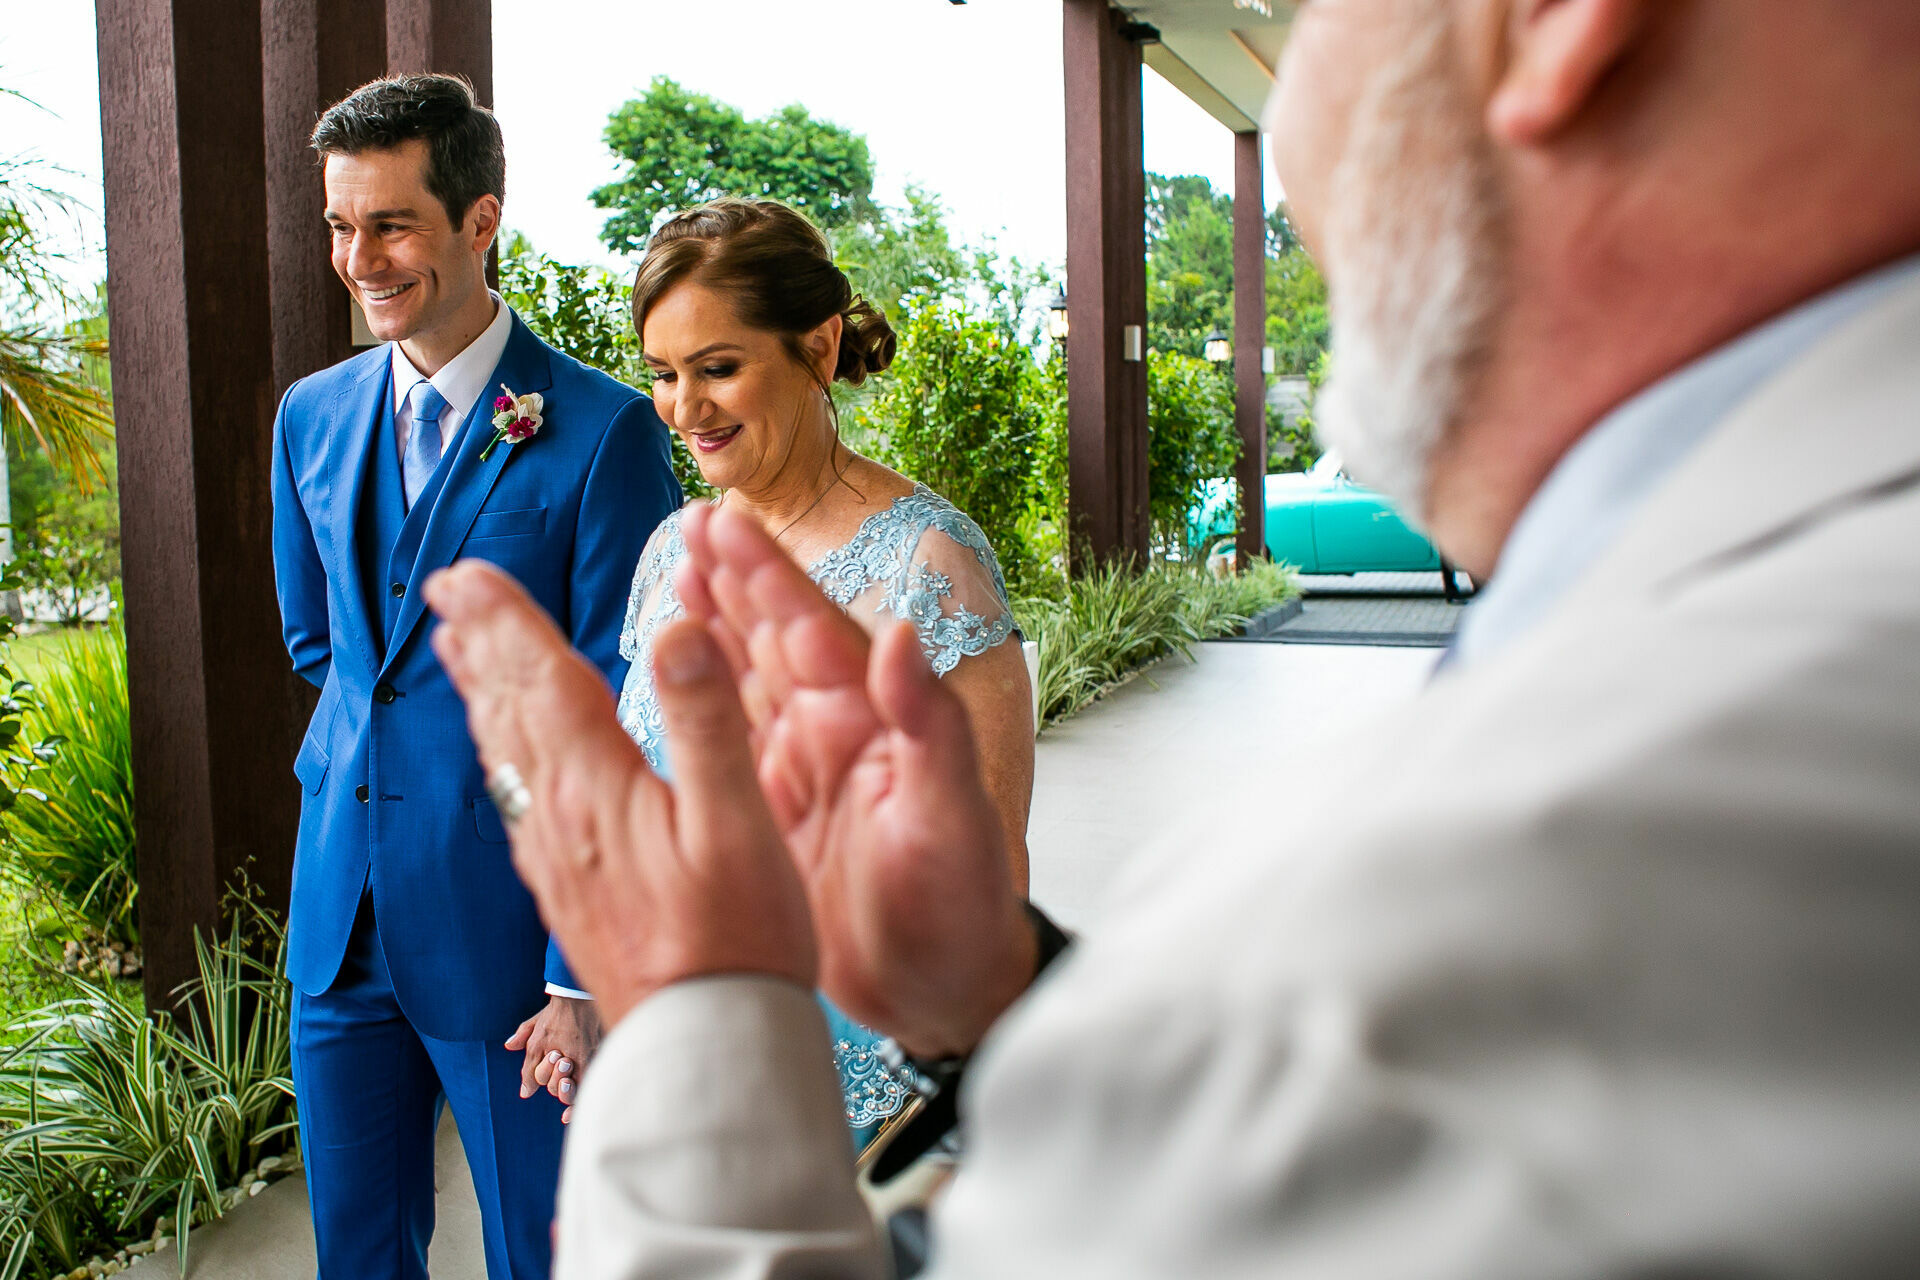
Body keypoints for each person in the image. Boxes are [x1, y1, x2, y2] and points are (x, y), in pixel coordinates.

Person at [426, 0, 1920, 1275]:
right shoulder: (1718, 634)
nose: (684, 407)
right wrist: (991, 993)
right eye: (663, 374)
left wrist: (697, 1016)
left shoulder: (1581, 829)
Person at [269, 73, 678, 1280]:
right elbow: (330, 652)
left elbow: (622, 706)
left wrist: (577, 964)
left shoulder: (602, 432)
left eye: (392, 223)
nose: (362, 258)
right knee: (357, 1251)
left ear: (481, 220)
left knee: (538, 1251)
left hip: (516, 937)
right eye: (341, 225)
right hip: (341, 916)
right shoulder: (312, 414)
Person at [612, 198, 1034, 1147]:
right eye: (665, 376)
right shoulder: (667, 553)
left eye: (719, 369)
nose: (687, 408)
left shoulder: (928, 565)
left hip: (863, 1094)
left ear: (819, 343)